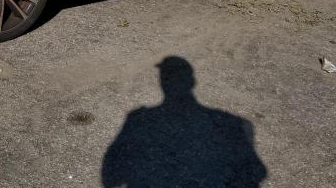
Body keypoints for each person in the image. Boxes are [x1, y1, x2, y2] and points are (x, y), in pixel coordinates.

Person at [102, 56, 267, 187]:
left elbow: (111, 176)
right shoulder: (234, 122)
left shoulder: (137, 118)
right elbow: (257, 172)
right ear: (192, 82)